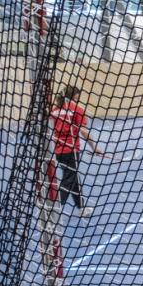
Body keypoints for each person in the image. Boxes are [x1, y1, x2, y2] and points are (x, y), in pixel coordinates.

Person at [51, 86, 106, 217]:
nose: (78, 98)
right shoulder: (77, 109)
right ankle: (55, 209)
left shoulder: (55, 110)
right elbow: (84, 131)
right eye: (77, 96)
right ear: (73, 96)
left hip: (59, 150)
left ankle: (81, 207)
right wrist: (94, 147)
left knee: (73, 178)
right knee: (69, 179)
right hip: (70, 150)